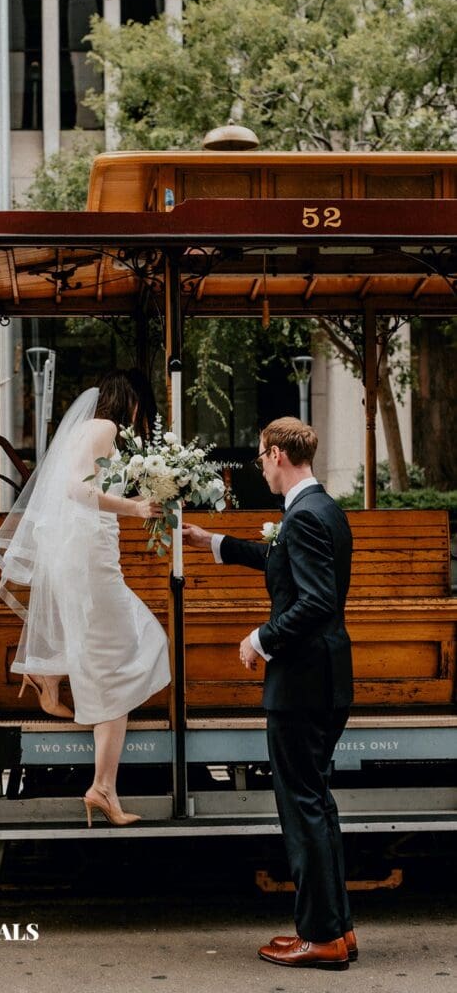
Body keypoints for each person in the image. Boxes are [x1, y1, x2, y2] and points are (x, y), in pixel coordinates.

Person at [182, 416, 356, 971]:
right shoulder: (320, 508)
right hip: (326, 679)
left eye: (261, 455)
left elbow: (315, 602)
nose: (260, 465)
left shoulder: (302, 517)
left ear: (278, 454)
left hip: (301, 684)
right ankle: (336, 930)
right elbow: (279, 559)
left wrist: (259, 637)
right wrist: (214, 543)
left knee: (302, 808)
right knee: (317, 805)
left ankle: (321, 937)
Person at [0, 371, 171, 827]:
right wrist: (134, 507)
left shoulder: (87, 431)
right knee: (127, 654)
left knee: (122, 646)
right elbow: (75, 488)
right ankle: (102, 787)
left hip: (88, 554)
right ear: (130, 403)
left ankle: (46, 676)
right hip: (91, 558)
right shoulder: (105, 428)